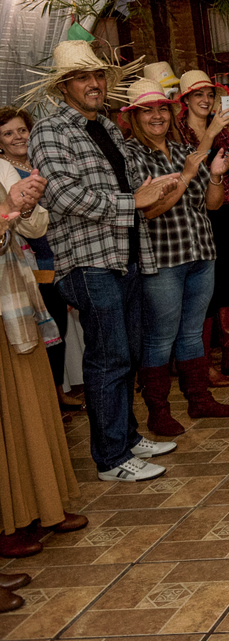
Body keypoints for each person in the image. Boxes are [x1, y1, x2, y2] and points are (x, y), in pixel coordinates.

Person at [25, 40, 178, 482]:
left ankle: (126, 436)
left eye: (98, 76)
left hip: (125, 256)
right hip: (87, 262)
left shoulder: (108, 127)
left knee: (126, 354)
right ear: (63, 87)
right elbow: (61, 194)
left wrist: (152, 190)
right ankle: (111, 458)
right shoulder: (50, 130)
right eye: (82, 78)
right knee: (109, 358)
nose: (94, 84)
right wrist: (134, 201)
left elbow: (132, 187)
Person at [122, 78, 229, 436]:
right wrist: (188, 175)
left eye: (162, 109)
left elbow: (211, 204)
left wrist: (215, 177)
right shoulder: (131, 155)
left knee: (191, 332)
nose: (157, 116)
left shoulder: (181, 149)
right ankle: (158, 412)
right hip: (163, 259)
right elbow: (149, 211)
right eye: (148, 111)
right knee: (160, 338)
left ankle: (199, 399)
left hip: (201, 252)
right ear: (134, 118)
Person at [0, 201, 91, 565]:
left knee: (34, 409)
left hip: (18, 302)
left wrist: (22, 207)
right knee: (10, 418)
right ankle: (11, 521)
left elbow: (35, 229)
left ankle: (43, 507)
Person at [177, 70, 229, 381]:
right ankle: (203, 362)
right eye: (198, 95)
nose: (206, 99)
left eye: (209, 94)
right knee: (204, 288)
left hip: (227, 209)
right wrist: (212, 130)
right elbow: (193, 165)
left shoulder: (223, 130)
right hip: (198, 213)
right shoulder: (179, 131)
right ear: (186, 100)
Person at [0, 106, 80, 412]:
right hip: (35, 260)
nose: (18, 137)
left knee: (59, 328)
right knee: (48, 328)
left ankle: (57, 393)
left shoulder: (42, 161)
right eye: (8, 133)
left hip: (62, 251)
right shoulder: (5, 172)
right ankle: (51, 398)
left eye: (22, 130)